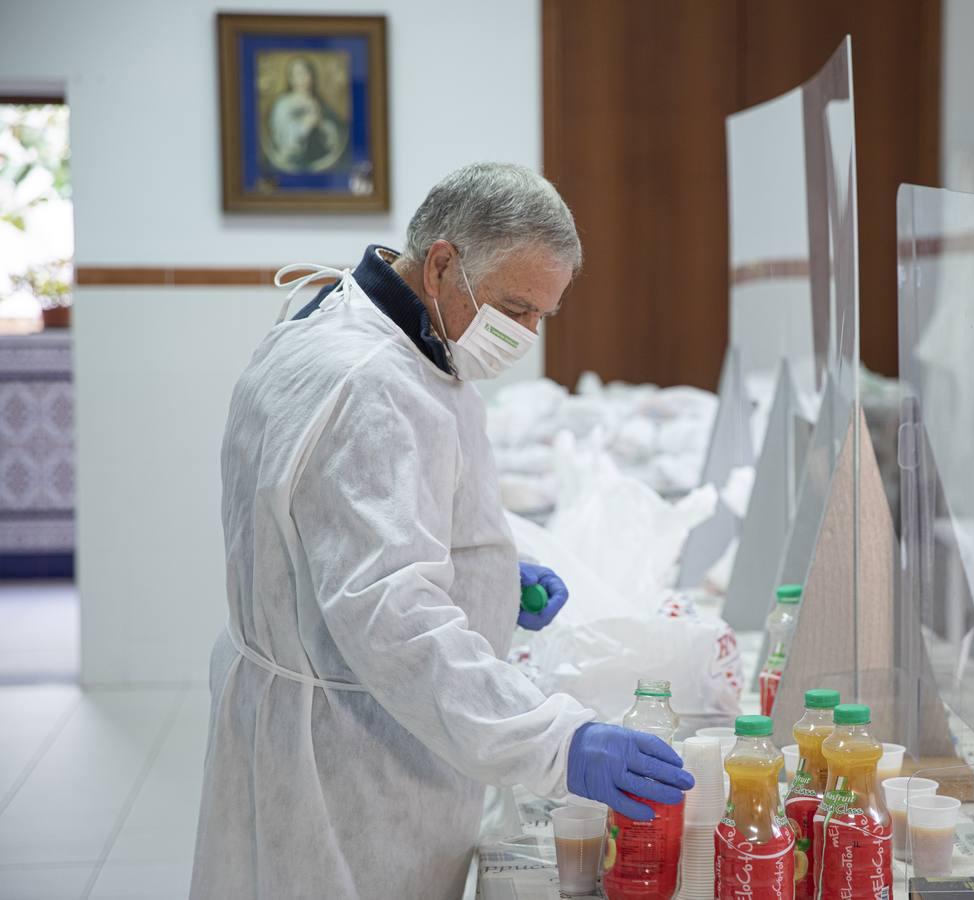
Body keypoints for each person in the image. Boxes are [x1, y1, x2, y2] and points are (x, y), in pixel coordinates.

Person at [190, 163, 694, 898]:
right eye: (515, 308)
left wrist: (481, 571)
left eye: (542, 317)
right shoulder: (373, 381)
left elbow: (333, 527)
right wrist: (559, 740)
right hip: (345, 755)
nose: (524, 336)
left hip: (324, 716)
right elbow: (393, 616)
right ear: (442, 262)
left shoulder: (365, 324)